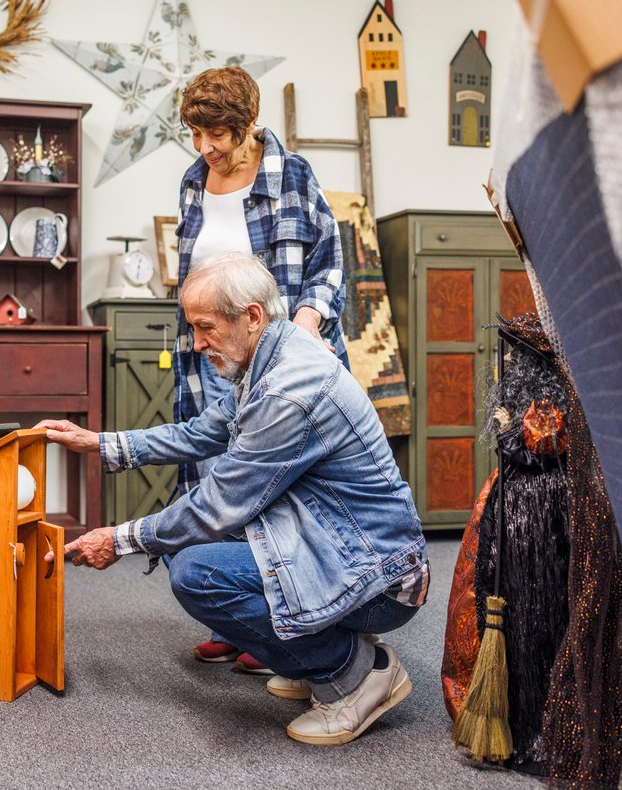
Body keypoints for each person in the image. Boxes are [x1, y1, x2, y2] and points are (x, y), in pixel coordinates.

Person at [40, 254, 427, 746]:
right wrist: (99, 442)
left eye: (205, 327)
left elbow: (215, 506)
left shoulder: (288, 389)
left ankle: (355, 672)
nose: (198, 343)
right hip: (341, 548)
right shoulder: (269, 358)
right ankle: (320, 650)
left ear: (251, 316)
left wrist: (117, 540)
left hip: (379, 580)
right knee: (185, 546)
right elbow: (200, 433)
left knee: (197, 574)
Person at [172, 66, 349, 672]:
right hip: (215, 353)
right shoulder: (193, 184)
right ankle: (234, 613)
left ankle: (280, 619)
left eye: (216, 134)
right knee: (215, 475)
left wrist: (301, 334)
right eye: (196, 134)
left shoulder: (293, 174)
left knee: (274, 485)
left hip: (279, 353)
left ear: (247, 125)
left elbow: (328, 266)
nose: (205, 148)